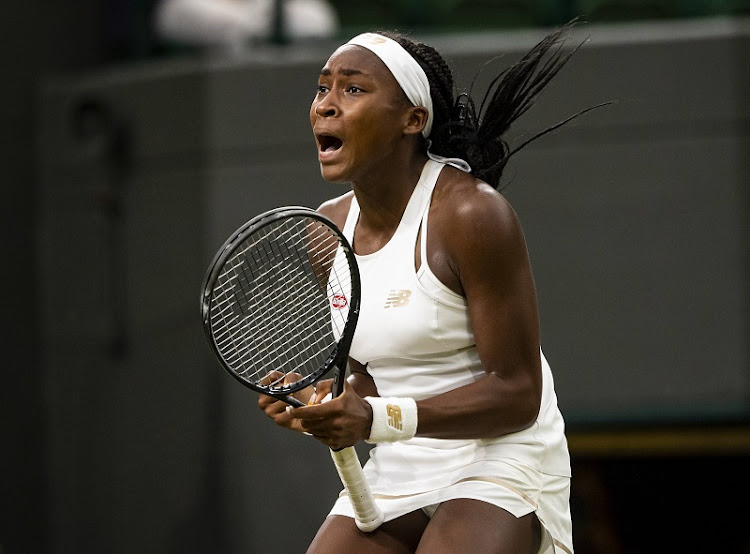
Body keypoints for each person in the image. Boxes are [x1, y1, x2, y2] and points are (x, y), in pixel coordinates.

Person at [259, 23, 591, 554]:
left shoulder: (472, 214)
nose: (325, 105)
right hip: (399, 457)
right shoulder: (326, 233)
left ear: (413, 120)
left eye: (353, 88)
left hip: (499, 454)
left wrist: (373, 418)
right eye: (323, 87)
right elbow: (370, 374)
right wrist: (322, 404)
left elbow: (518, 394)